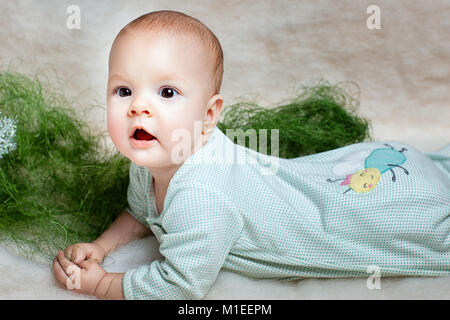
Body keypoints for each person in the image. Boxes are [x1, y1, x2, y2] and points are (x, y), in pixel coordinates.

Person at [52, 10, 450, 300]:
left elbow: (179, 282)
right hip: (310, 183)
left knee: (360, 212)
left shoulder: (201, 196)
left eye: (167, 92)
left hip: (373, 208)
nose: (138, 107)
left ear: (208, 116)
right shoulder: (152, 160)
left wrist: (102, 284)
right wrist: (103, 246)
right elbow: (140, 212)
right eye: (123, 91)